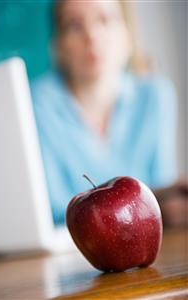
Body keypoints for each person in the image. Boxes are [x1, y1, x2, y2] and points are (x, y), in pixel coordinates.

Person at [31, 0, 187, 226]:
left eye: (104, 19)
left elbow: (160, 184)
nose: (92, 35)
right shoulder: (34, 104)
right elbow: (51, 213)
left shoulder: (155, 95)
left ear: (127, 35)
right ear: (59, 47)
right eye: (74, 25)